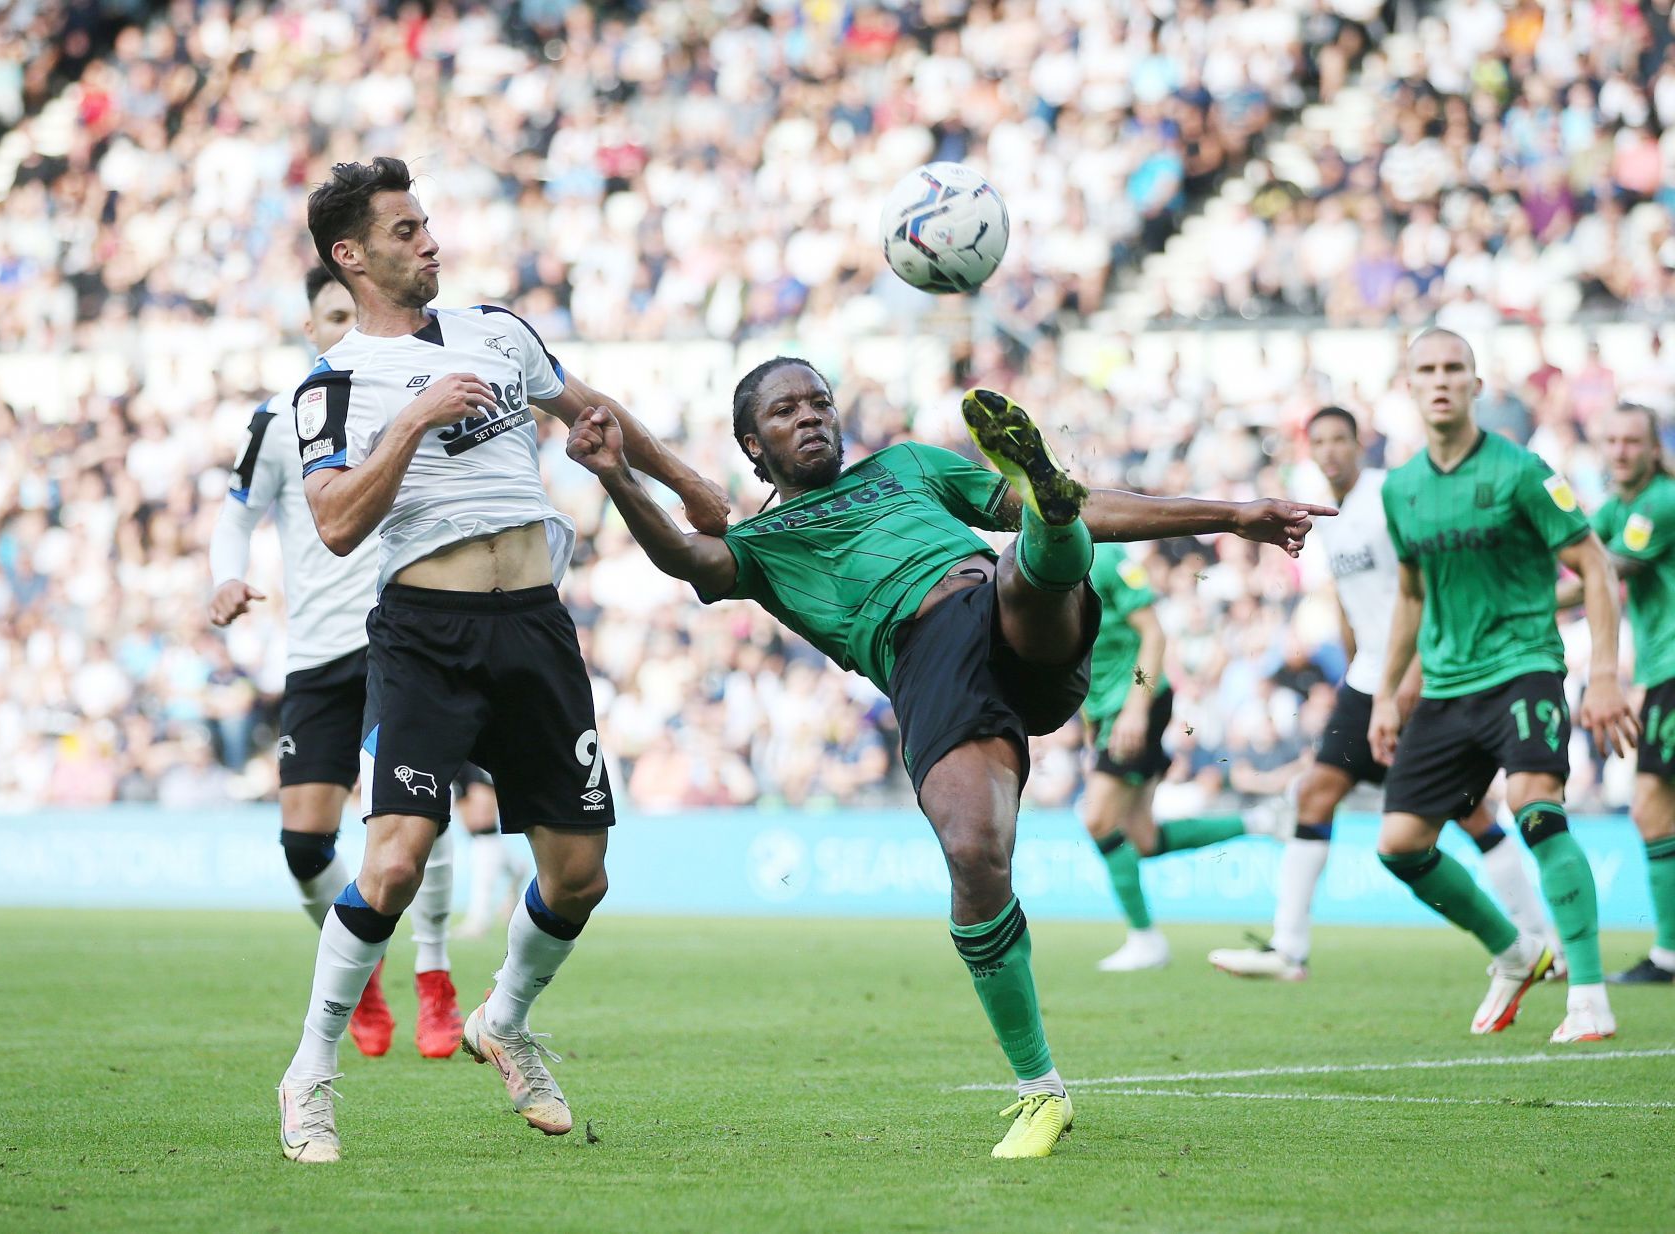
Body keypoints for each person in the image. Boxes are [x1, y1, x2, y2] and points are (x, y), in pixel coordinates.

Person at [564, 359, 1329, 1158]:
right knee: (973, 853)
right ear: (754, 447)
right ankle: (1042, 1092)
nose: (813, 416)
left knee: (1027, 559)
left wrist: (1234, 514)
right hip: (925, 664)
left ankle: (1046, 513)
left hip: (1001, 605)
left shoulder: (908, 466)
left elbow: (1113, 505)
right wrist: (617, 475)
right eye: (788, 411)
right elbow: (690, 559)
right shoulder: (761, 544)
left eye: (821, 402)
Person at [274, 158, 728, 1163]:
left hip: (531, 626)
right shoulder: (333, 384)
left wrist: (690, 481)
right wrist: (414, 421)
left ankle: (505, 1018)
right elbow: (339, 523)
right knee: (391, 861)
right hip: (424, 639)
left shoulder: (499, 329)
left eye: (427, 224)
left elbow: (590, 406)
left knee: (580, 876)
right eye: (403, 232)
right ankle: (310, 1072)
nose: (428, 242)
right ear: (349, 256)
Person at [1209, 407, 1559, 981]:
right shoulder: (1328, 517)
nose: (1329, 451)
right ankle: (1288, 949)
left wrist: (1407, 681)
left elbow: (1425, 592)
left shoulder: (1386, 498)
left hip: (1421, 677)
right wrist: (1356, 672)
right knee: (1317, 794)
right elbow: (1352, 603)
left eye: (1339, 439)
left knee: (1471, 813)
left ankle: (1539, 941)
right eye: (1317, 441)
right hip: (1369, 678)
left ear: (1360, 443)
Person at [209, 266, 461, 1062]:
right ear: (310, 328)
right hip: (316, 654)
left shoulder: (409, 396)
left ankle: (436, 974)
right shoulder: (281, 418)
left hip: (401, 634)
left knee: (416, 805)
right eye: (332, 315)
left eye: (357, 312)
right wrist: (225, 574)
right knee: (304, 845)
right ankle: (367, 969)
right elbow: (237, 514)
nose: (346, 324)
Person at [1368, 329, 1637, 1043]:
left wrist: (1604, 674)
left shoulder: (1523, 471)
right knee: (1399, 844)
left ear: (1476, 384)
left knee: (1534, 807)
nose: (1442, 380)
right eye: (1426, 369)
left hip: (1522, 667)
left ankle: (1587, 993)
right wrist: (1389, 694)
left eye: (1455, 368)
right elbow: (1413, 597)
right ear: (1409, 385)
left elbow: (1596, 566)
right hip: (1447, 686)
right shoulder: (1400, 489)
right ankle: (1517, 951)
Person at [1079, 541, 1291, 972]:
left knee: (1097, 819)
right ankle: (1262, 820)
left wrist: (1135, 709)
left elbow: (1154, 634)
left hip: (1134, 703)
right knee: (1142, 838)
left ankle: (1144, 939)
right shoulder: (1042, 565)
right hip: (1104, 709)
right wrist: (1090, 725)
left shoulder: (1105, 560)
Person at [1565, 403, 1675, 984]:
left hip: (1672, 675)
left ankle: (1669, 956)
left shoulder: (1657, 503)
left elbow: (1607, 570)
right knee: (1656, 810)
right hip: (1661, 673)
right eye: (1612, 440)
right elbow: (1576, 550)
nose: (1622, 451)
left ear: (1654, 449)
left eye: (1634, 441)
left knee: (1653, 809)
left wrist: (1516, 601)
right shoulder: (1618, 506)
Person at [452, 766, 528, 939]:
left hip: (473, 752)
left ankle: (479, 919)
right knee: (484, 840)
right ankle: (518, 868)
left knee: (484, 837)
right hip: (453, 753)